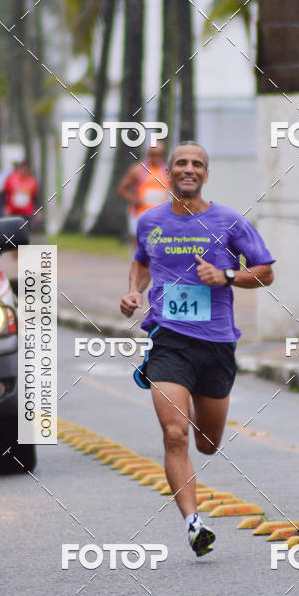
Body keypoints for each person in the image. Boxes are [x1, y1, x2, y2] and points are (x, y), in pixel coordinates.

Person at [120, 142, 275, 557]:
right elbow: (141, 260)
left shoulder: (229, 222)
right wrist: (134, 291)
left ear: (206, 174)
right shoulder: (149, 221)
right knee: (175, 435)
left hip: (217, 344)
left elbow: (265, 272)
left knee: (207, 444)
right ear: (168, 171)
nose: (189, 169)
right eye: (182, 163)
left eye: (197, 164)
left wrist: (226, 275)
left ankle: (185, 400)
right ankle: (193, 524)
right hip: (169, 341)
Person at [118, 143, 170, 246]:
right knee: (139, 249)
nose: (157, 157)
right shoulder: (138, 170)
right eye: (153, 154)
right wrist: (135, 199)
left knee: (157, 249)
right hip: (139, 215)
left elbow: (176, 191)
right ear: (148, 154)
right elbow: (122, 189)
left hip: (160, 217)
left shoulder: (167, 171)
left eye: (160, 154)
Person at [3, 159, 39, 225]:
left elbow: (36, 197)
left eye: (26, 169)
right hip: (13, 212)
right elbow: (4, 194)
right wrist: (5, 207)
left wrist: (38, 211)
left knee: (25, 231)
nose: (24, 170)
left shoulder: (32, 181)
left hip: (27, 213)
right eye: (23, 168)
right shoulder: (11, 179)